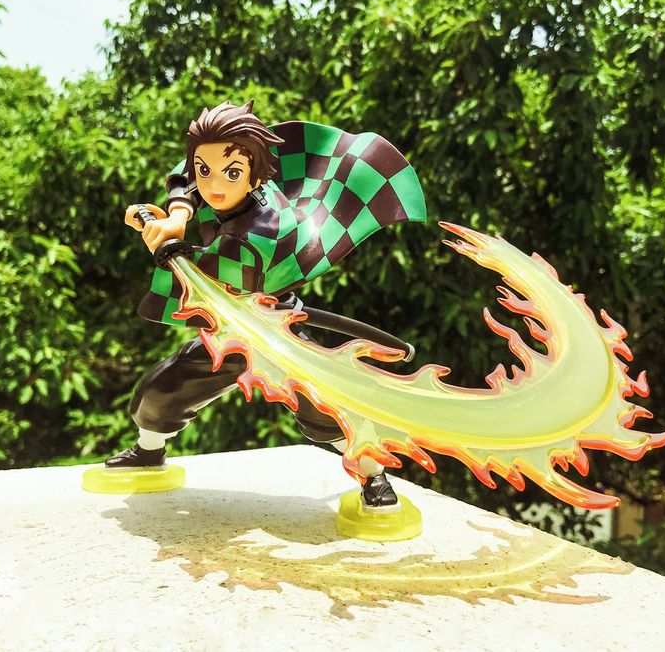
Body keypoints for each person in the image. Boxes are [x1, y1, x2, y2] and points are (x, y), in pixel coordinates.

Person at [107, 100, 426, 509]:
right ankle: (148, 451)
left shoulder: (259, 230)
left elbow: (205, 279)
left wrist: (163, 241)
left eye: (231, 173)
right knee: (160, 391)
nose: (214, 185)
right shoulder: (230, 181)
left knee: (324, 408)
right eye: (206, 170)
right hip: (230, 329)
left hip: (274, 329)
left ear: (255, 175)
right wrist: (178, 214)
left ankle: (373, 474)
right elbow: (186, 176)